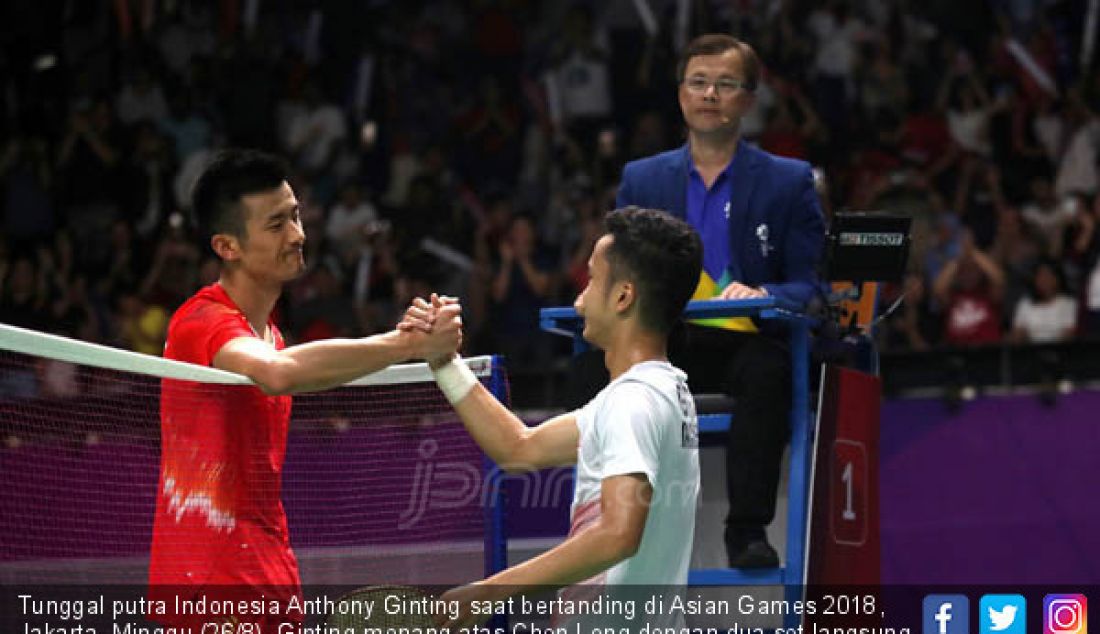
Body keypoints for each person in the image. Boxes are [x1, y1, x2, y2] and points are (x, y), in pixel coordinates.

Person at [147, 149, 461, 630]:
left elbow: (283, 363)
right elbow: (277, 373)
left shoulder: (269, 335)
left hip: (268, 570)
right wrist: (405, 343)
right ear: (227, 246)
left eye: (295, 216)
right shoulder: (201, 321)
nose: (297, 235)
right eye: (276, 225)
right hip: (208, 585)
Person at [415, 208, 702, 630]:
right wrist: (443, 362)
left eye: (591, 281)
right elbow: (519, 448)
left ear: (623, 297)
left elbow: (618, 534)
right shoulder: (666, 392)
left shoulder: (633, 403)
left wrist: (486, 594)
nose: (578, 300)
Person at [614, 34, 825, 568]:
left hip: (746, 341)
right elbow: (620, 272)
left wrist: (766, 294)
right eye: (699, 82)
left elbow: (811, 283)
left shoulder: (788, 180)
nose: (710, 93)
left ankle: (747, 531)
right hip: (664, 344)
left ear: (749, 100)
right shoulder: (641, 179)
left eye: (726, 84)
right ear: (681, 93)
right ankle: (606, 528)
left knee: (766, 373)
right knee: (590, 372)